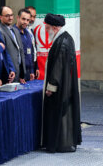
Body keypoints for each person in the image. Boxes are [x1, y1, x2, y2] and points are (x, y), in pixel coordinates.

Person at [41, 13, 81, 153]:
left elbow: (58, 67)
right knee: (64, 113)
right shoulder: (65, 38)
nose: (46, 31)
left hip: (60, 87)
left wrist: (51, 87)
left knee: (59, 113)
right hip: (65, 84)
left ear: (54, 27)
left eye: (47, 28)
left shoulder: (62, 42)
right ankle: (62, 142)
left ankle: (60, 143)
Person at [0, 6, 26, 83]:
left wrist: (22, 73)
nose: (10, 18)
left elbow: (20, 51)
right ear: (0, 17)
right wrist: (10, 69)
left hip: (18, 72)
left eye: (11, 15)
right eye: (7, 16)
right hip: (9, 74)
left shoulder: (16, 30)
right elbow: (4, 54)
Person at [14, 9, 35, 81]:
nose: (25, 22)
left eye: (28, 20)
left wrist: (32, 70)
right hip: (19, 75)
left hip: (28, 73)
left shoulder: (28, 32)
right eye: (23, 19)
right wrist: (20, 75)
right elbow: (14, 56)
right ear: (17, 18)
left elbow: (31, 52)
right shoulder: (13, 33)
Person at [25, 6, 40, 79]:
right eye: (31, 16)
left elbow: (34, 50)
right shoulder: (18, 31)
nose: (32, 19)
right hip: (25, 70)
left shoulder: (31, 31)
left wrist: (36, 67)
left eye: (34, 17)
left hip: (33, 68)